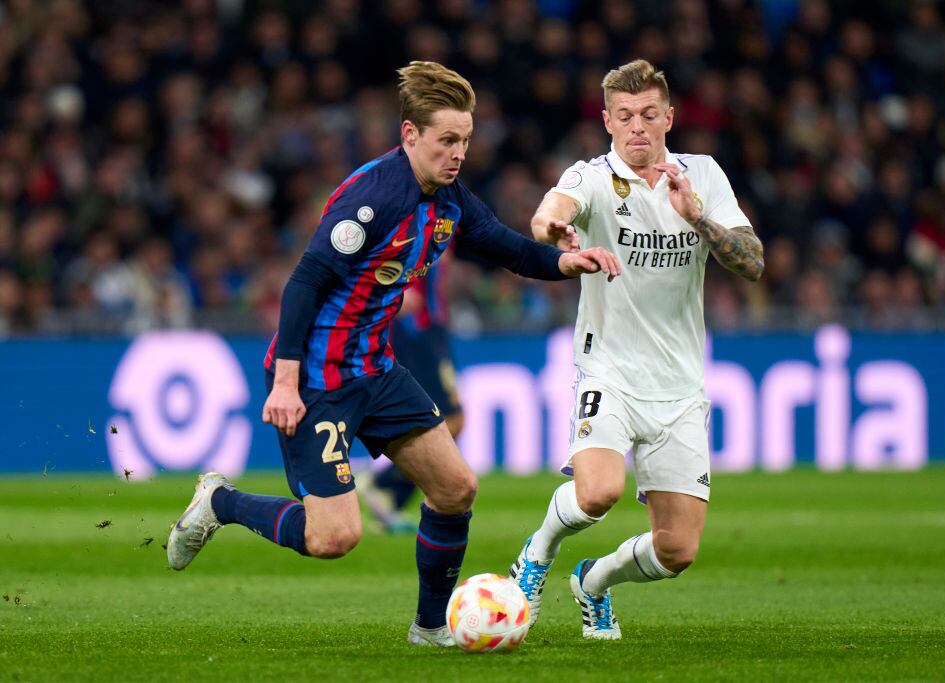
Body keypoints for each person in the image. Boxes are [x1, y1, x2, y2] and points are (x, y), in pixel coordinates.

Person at [166, 61, 620, 647]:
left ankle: (430, 629)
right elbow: (304, 283)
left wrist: (566, 263)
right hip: (318, 378)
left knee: (456, 489)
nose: (458, 153)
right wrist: (285, 382)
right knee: (334, 538)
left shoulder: (450, 198)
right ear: (411, 135)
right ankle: (219, 502)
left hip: (376, 369)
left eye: (465, 140)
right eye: (446, 140)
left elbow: (508, 247)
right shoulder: (374, 198)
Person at [508, 59, 763, 640]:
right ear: (607, 121)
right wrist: (559, 234)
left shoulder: (701, 175)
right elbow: (548, 213)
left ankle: (593, 583)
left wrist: (698, 218)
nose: (638, 128)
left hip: (679, 388)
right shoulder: (592, 176)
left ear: (669, 117)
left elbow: (752, 263)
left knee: (678, 550)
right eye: (624, 117)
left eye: (649, 115)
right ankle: (537, 553)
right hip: (610, 372)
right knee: (598, 492)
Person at [360, 256, 463, 533]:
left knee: (451, 420)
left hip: (432, 331)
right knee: (449, 419)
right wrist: (399, 295)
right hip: (417, 333)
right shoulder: (420, 220)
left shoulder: (449, 218)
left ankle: (390, 495)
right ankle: (384, 485)